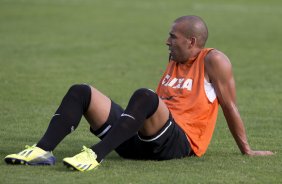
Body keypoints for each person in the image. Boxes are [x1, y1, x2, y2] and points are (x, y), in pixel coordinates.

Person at [4, 15, 273, 171]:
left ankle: (94, 156)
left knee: (145, 95)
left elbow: (230, 106)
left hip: (179, 143)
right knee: (81, 92)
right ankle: (41, 151)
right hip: (143, 138)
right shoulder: (175, 58)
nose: (167, 41)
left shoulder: (213, 60)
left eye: (173, 37)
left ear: (191, 42)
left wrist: (247, 150)